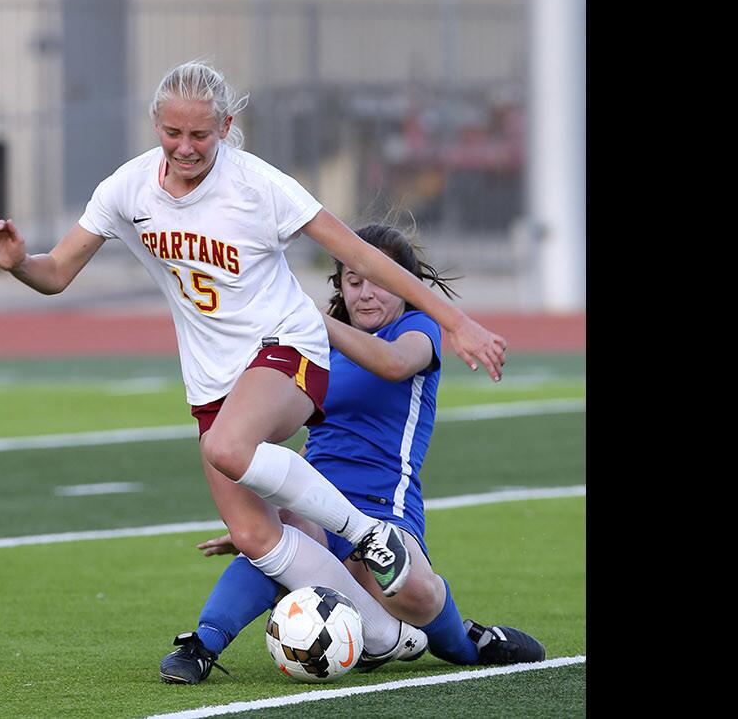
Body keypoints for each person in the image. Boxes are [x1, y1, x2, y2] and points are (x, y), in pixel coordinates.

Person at [0, 60, 509, 675]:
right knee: (257, 538)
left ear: (226, 125)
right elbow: (56, 272)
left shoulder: (258, 186)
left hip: (287, 348)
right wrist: (16, 261)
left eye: (201, 134)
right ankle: (384, 635)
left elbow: (359, 254)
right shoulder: (126, 189)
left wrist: (457, 321)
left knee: (229, 445)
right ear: (156, 126)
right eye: (173, 133)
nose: (186, 147)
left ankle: (364, 531)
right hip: (212, 380)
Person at [159, 225, 544, 684]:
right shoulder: (317, 345)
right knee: (272, 544)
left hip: (385, 506)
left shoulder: (416, 328)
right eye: (353, 281)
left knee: (410, 591)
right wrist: (268, 517)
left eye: (378, 280)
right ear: (339, 285)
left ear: (403, 282)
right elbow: (313, 443)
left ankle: (464, 643)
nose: (365, 294)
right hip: (316, 501)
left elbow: (394, 364)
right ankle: (202, 644)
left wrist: (314, 320)